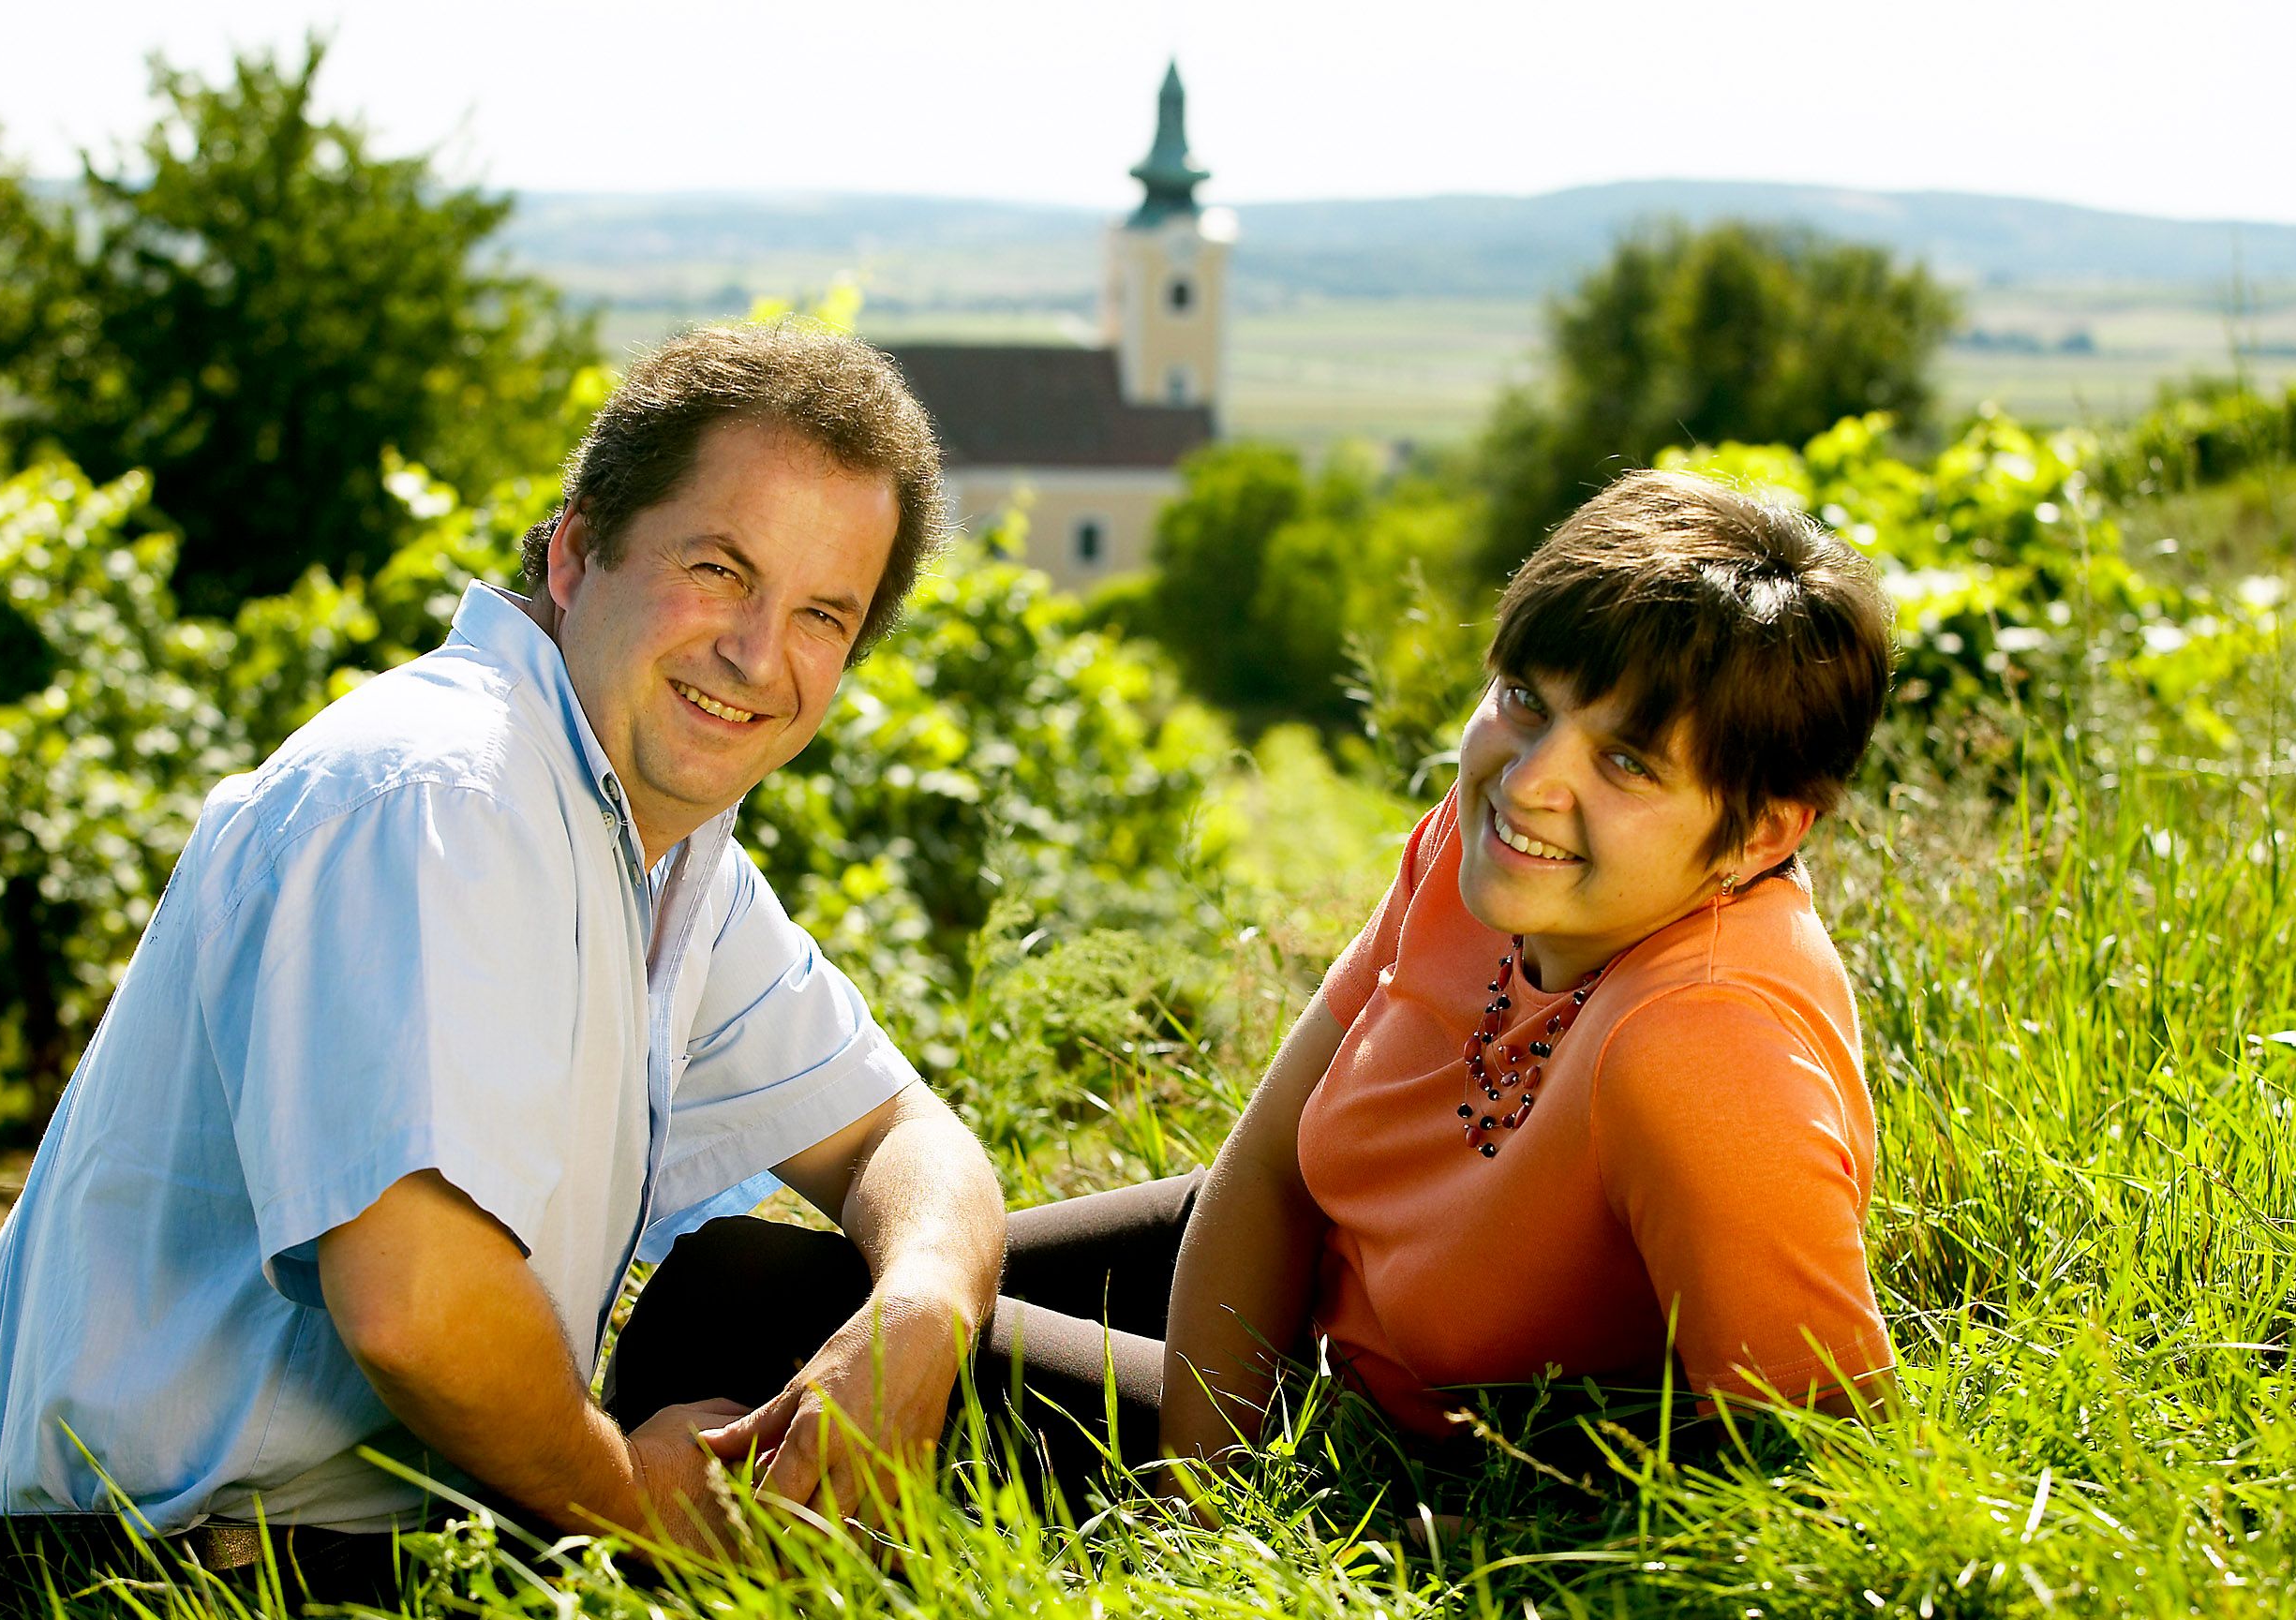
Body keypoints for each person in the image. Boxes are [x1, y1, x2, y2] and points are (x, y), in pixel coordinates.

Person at [0, 323, 1006, 1599]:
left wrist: (925, 1308)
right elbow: (415, 1301)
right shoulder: (438, 794)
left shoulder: (660, 847)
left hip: (357, 1535)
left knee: (870, 1298)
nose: (756, 652)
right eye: (719, 569)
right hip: (182, 1579)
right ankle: (1244, 1425)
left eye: (820, 614)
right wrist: (635, 1506)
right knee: (1079, 1380)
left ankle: (1249, 1388)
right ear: (575, 550)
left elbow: (899, 1132)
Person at [692, 468, 1900, 1501]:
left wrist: (1211, 1521)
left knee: (741, 1323)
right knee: (750, 1289)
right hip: (1313, 1287)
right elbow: (1269, 1165)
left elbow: (1824, 1460)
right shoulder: (1479, 857)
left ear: (1760, 834)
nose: (1530, 781)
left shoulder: (1702, 1044)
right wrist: (1199, 1476)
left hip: (1373, 1445)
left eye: (1628, 762)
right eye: (1527, 701)